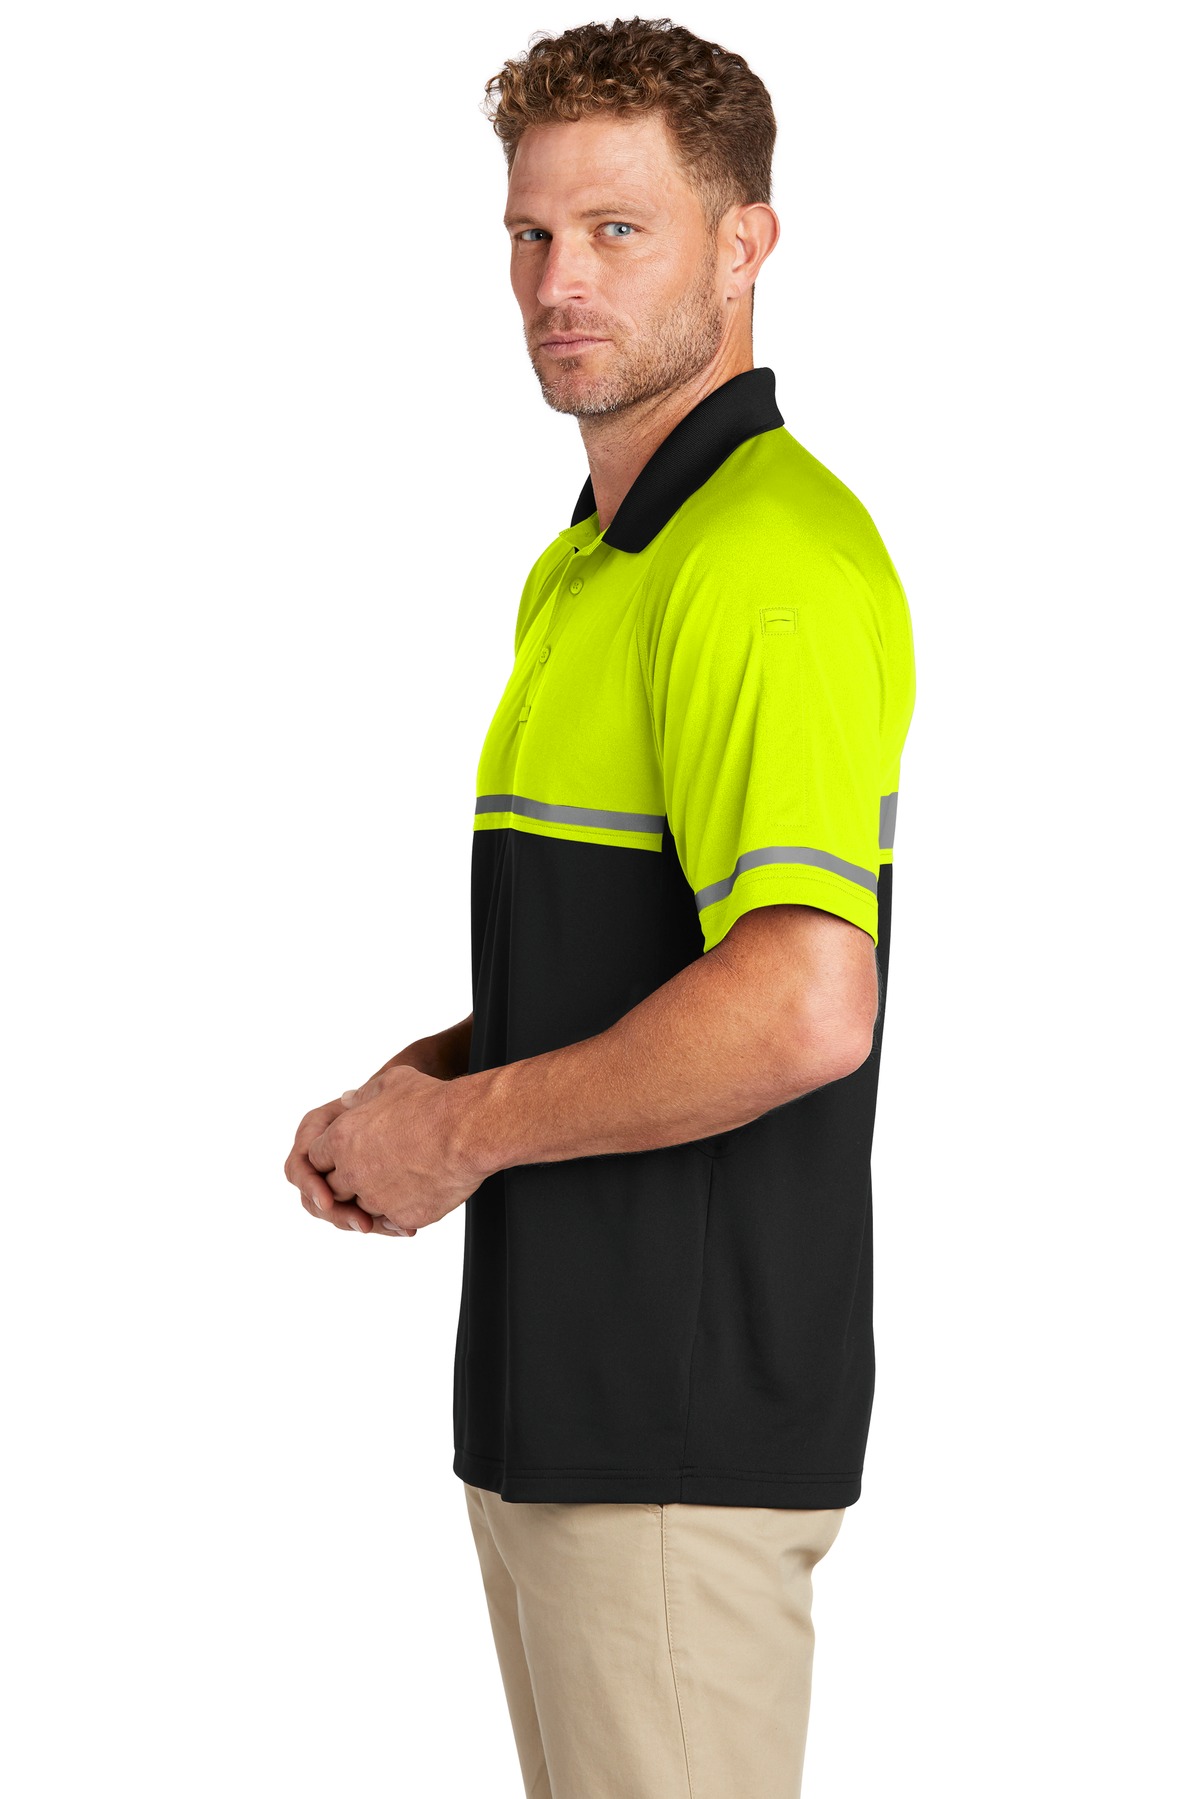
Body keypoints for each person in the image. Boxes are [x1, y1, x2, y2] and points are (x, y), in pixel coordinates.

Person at [283, 17, 916, 1796]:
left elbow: (805, 998)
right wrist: (427, 1084)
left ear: (746, 242)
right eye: (531, 234)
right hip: (566, 1419)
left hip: (674, 1437)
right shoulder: (596, 564)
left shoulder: (764, 563)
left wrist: (461, 1133)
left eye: (619, 230)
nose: (560, 282)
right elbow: (644, 969)